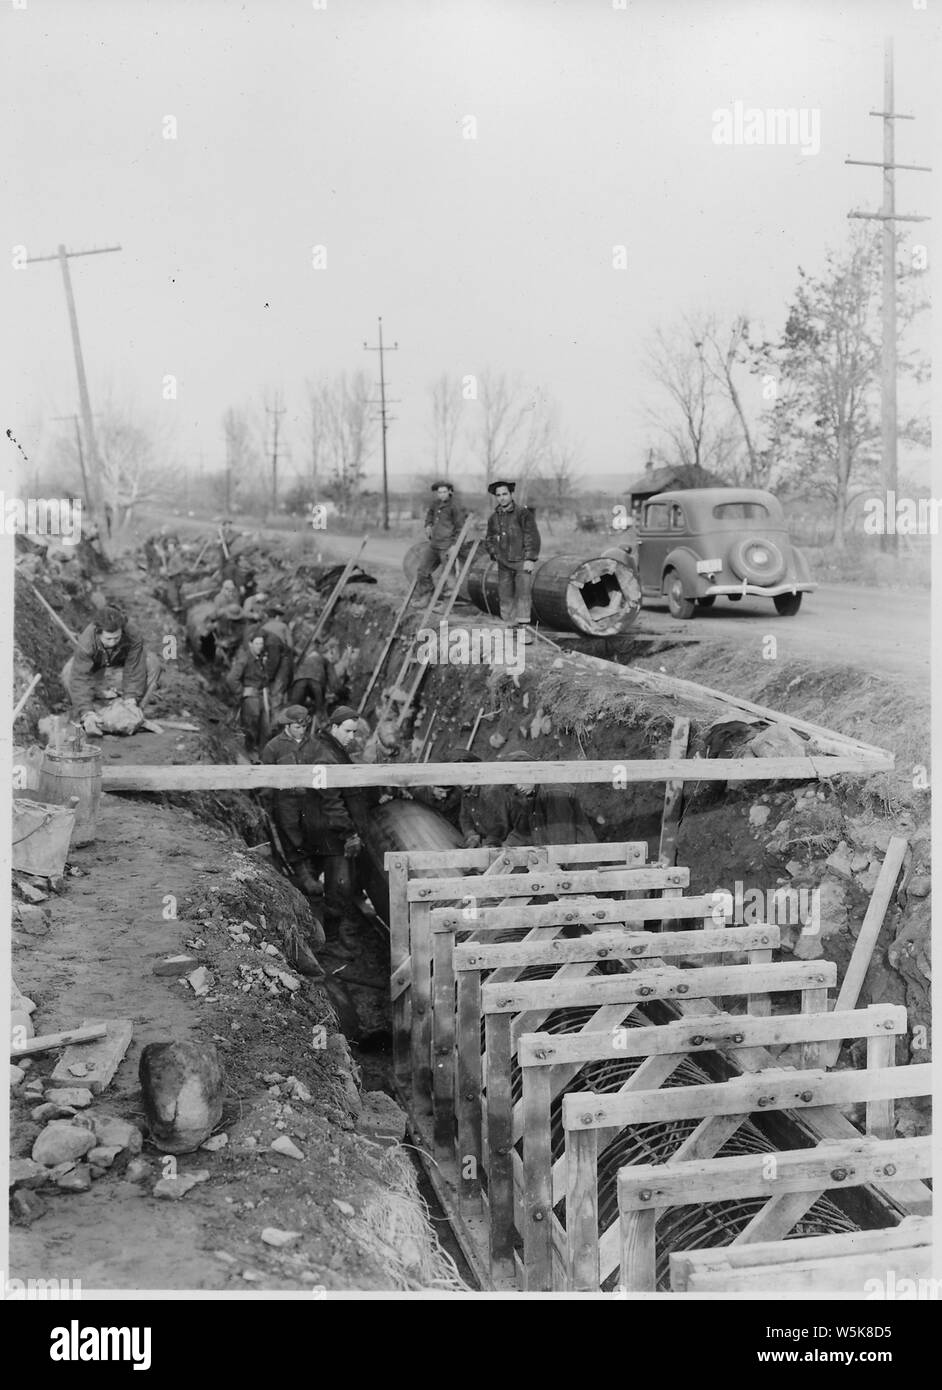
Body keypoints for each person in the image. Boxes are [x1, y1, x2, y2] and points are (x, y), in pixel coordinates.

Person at [301, 705, 367, 955]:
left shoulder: (330, 748)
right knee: (339, 886)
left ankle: (331, 934)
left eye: (355, 732)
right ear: (334, 727)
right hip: (331, 833)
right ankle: (329, 942)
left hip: (328, 829)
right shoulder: (326, 755)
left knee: (338, 884)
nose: (352, 737)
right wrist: (349, 833)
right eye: (348, 731)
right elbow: (332, 802)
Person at [63, 605, 162, 736]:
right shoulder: (86, 642)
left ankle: (136, 711)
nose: (113, 642)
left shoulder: (132, 633)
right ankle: (86, 712)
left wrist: (131, 697)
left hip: (122, 661)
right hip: (97, 664)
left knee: (152, 662)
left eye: (117, 638)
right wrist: (87, 711)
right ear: (98, 633)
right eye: (108, 639)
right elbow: (80, 677)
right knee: (68, 671)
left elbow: (135, 666)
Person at [260, 706, 323, 898]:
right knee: (291, 831)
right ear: (287, 726)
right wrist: (266, 799)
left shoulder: (314, 745)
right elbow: (266, 777)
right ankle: (303, 874)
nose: (301, 730)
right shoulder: (274, 747)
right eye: (297, 726)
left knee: (313, 830)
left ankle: (312, 869)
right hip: (285, 799)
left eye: (304, 726)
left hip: (310, 798)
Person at [485, 479, 541, 643]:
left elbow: (532, 537)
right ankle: (510, 628)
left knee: (523, 595)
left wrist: (530, 558)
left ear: (510, 494)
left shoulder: (523, 514)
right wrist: (494, 553)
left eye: (505, 494)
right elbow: (488, 539)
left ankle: (524, 631)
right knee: (505, 596)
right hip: (503, 564)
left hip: (521, 562)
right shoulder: (493, 518)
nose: (502, 498)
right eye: (498, 495)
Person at [414, 481, 467, 604]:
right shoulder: (435, 504)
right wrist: (428, 525)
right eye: (439, 492)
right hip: (434, 545)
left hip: (447, 546)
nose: (441, 495)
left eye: (444, 492)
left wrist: (455, 545)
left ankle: (447, 604)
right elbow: (430, 515)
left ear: (450, 491)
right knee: (422, 570)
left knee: (448, 575)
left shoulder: (455, 506)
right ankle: (426, 596)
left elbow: (461, 529)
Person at [227, 628, 273, 760]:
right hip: (251, 699)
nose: (260, 646)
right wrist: (241, 692)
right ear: (250, 644)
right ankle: (251, 756)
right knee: (251, 728)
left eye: (261, 644)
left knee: (265, 728)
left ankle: (263, 757)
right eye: (257, 644)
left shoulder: (259, 658)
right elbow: (231, 678)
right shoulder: (245, 659)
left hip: (261, 697)